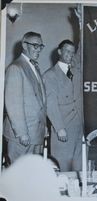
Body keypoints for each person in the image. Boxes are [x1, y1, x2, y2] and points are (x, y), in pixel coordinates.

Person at [3, 31, 47, 163]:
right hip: (23, 135)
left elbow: (40, 101)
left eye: (40, 46)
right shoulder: (16, 68)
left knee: (32, 174)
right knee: (20, 176)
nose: (38, 49)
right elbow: (13, 103)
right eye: (35, 45)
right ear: (24, 45)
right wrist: (22, 133)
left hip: (35, 133)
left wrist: (43, 127)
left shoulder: (34, 67)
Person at [43, 40, 83, 171]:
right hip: (63, 127)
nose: (70, 54)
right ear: (59, 51)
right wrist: (59, 128)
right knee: (62, 166)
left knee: (79, 166)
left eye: (72, 52)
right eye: (67, 51)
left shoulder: (77, 73)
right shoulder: (50, 75)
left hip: (79, 127)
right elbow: (51, 103)